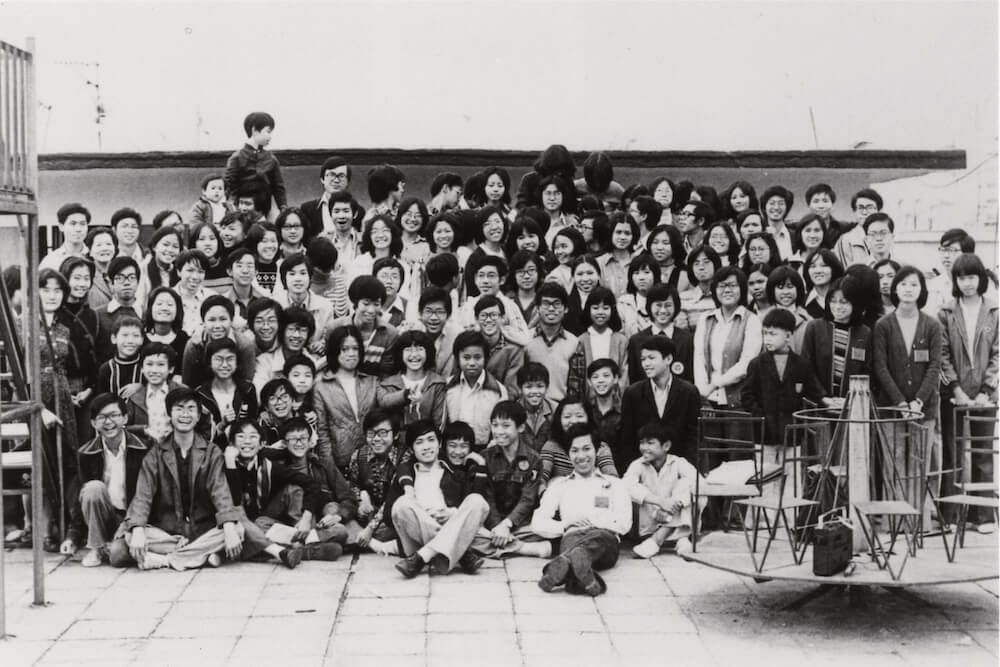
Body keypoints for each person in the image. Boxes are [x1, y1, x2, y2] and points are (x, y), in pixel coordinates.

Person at [110, 387, 302, 570]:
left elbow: (221, 492)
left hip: (203, 529)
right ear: (170, 414)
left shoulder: (211, 452)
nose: (185, 414)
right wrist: (137, 530)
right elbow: (143, 496)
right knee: (125, 543)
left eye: (191, 408)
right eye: (179, 409)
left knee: (237, 530)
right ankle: (196, 555)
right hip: (167, 531)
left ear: (198, 415)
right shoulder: (156, 454)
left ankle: (167, 560)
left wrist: (227, 526)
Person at [872, 266, 943, 525]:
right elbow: (880, 366)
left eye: (914, 284)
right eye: (903, 284)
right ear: (895, 289)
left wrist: (918, 402)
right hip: (891, 408)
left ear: (922, 289)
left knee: (919, 465)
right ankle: (895, 523)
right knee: (894, 463)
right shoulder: (883, 325)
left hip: (924, 408)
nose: (908, 289)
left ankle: (918, 523)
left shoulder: (932, 325)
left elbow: (935, 366)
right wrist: (901, 403)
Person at [532, 424, 632, 596]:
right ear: (568, 453)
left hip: (604, 540)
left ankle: (557, 570)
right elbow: (537, 523)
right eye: (575, 450)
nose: (581, 456)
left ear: (597, 450)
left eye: (587, 449)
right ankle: (584, 577)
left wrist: (594, 524)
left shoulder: (614, 484)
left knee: (588, 544)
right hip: (571, 536)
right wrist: (565, 525)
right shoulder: (559, 486)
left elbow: (624, 523)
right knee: (576, 549)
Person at [222, 419, 343, 561]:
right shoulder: (224, 463)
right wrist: (230, 464)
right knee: (252, 526)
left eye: (253, 436)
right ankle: (306, 550)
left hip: (264, 522)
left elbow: (311, 484)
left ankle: (301, 539)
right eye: (241, 436)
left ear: (262, 444)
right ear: (232, 443)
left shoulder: (269, 465)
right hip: (241, 524)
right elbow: (235, 502)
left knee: (295, 489)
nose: (247, 441)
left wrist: (306, 519)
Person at [937, 254, 998, 532]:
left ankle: (982, 516)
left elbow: (998, 354)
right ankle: (951, 514)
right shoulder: (946, 312)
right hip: (954, 395)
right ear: (955, 281)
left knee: (983, 451)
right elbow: (942, 354)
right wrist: (956, 388)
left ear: (981, 279)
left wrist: (987, 389)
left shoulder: (994, 311)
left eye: (972, 277)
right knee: (953, 450)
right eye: (962, 278)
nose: (968, 283)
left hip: (986, 395)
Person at [391, 420, 489, 577]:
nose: (427, 447)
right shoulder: (406, 473)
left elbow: (472, 509)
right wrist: (423, 516)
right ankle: (461, 555)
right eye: (419, 442)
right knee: (401, 504)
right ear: (411, 448)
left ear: (439, 443)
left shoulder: (453, 471)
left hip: (448, 523)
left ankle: (423, 556)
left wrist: (452, 513)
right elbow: (392, 516)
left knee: (477, 501)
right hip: (417, 534)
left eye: (431, 440)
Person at [75, 394, 150, 567]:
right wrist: (73, 535)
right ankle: (96, 547)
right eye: (101, 417)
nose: (108, 422)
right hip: (105, 518)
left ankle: (113, 548)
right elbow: (81, 499)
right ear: (94, 423)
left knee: (118, 557)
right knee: (93, 488)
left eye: (114, 415)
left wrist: (130, 524)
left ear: (125, 417)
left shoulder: (144, 447)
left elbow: (145, 493)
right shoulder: (86, 453)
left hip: (133, 517)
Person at [741, 309, 826, 446]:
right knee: (766, 467)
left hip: (793, 434)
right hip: (764, 435)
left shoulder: (802, 365)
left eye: (773, 334)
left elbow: (812, 394)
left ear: (788, 336)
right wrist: (760, 416)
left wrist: (801, 420)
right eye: (765, 333)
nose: (767, 338)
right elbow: (747, 395)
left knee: (792, 466)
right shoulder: (756, 364)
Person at [619, 336, 700, 469]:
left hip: (679, 467)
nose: (646, 364)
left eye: (651, 358)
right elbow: (627, 438)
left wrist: (686, 468)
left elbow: (694, 436)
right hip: (643, 467)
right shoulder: (633, 393)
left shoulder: (688, 391)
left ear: (668, 359)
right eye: (643, 359)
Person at [624, 422, 702, 558]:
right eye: (642, 443)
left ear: (666, 446)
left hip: (672, 518)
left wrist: (672, 505)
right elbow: (626, 486)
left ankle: (657, 540)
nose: (644, 448)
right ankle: (680, 539)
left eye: (650, 443)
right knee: (633, 488)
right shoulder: (637, 465)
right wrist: (660, 502)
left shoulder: (679, 462)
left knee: (688, 484)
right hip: (649, 524)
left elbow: (700, 483)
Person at [693, 266, 763, 412]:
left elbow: (746, 364)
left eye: (733, 285)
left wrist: (715, 384)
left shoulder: (752, 320)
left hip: (739, 401)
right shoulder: (705, 319)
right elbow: (699, 359)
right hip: (708, 399)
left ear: (742, 289)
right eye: (722, 286)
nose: (727, 290)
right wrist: (702, 392)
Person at [314, 325, 378, 470]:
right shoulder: (321, 386)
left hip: (372, 459)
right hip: (341, 463)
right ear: (335, 351)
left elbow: (387, 400)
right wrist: (331, 472)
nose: (351, 353)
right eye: (345, 349)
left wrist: (406, 395)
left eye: (355, 349)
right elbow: (322, 435)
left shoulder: (371, 381)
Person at [347, 409, 403, 554]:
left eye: (383, 433)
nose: (376, 439)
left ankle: (365, 541)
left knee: (388, 530)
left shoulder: (403, 458)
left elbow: (393, 496)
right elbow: (353, 484)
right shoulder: (358, 455)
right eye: (371, 434)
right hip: (367, 515)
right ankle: (369, 541)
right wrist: (360, 500)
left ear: (395, 434)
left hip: (390, 516)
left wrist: (369, 529)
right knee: (345, 519)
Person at [525, 282, 586, 403]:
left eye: (557, 304)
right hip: (530, 409)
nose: (551, 309)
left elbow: (576, 388)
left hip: (561, 410)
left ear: (566, 308)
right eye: (546, 304)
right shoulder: (526, 340)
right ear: (537, 308)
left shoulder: (574, 343)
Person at [444, 331, 508, 446]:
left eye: (477, 357)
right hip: (454, 451)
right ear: (457, 358)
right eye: (466, 358)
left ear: (486, 358)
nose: (472, 363)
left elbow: (502, 428)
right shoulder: (448, 387)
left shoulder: (498, 390)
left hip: (485, 450)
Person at [193, 337, 258, 448]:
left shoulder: (247, 389)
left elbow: (254, 425)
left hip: (244, 451)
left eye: (230, 359)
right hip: (212, 454)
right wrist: (222, 425)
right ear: (210, 362)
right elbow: (200, 436)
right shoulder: (200, 394)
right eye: (219, 359)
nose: (224, 365)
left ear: (237, 362)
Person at [181, 295, 257, 388]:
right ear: (203, 322)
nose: (217, 325)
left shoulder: (244, 346)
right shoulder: (195, 345)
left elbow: (247, 384)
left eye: (223, 319)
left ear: (231, 320)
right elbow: (188, 384)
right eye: (212, 320)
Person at [376, 330, 448, 427]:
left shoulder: (438, 384)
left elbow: (438, 423)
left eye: (420, 349)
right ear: (400, 353)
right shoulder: (387, 385)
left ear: (428, 352)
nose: (414, 355)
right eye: (408, 350)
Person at [626, 283, 694, 385]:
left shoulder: (688, 340)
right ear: (649, 306)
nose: (663, 310)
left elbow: (690, 377)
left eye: (668, 305)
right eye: (658, 305)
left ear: (676, 307)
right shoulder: (636, 341)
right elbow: (634, 379)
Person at [540, 398, 618, 485]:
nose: (573, 421)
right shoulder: (551, 446)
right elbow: (541, 478)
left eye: (579, 416)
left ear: (589, 418)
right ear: (559, 420)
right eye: (567, 417)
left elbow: (612, 477)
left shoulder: (600, 446)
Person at [224, 111, 286, 216]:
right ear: (254, 130)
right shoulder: (237, 158)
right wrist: (232, 211)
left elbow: (278, 187)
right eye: (268, 131)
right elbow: (229, 186)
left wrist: (283, 209)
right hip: (240, 213)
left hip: (264, 212)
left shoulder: (271, 159)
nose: (270, 136)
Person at [474, 294, 526, 398]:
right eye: (484, 315)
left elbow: (512, 390)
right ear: (476, 319)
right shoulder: (468, 345)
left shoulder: (514, 350)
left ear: (503, 318)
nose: (488, 320)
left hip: (501, 406)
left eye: (493, 315)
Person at [94, 257, 143, 361]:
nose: (126, 283)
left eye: (131, 277)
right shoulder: (97, 315)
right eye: (120, 278)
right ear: (111, 283)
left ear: (138, 282)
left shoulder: (146, 314)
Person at [578, 286, 628, 385]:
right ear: (588, 310)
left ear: (612, 310)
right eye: (595, 308)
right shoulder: (581, 340)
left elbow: (624, 375)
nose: (600, 312)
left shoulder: (621, 340)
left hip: (615, 397)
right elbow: (579, 376)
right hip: (588, 397)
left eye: (605, 308)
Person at [299, 156, 354, 238]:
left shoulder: (358, 211)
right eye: (331, 175)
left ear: (348, 181)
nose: (336, 180)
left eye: (341, 176)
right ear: (322, 179)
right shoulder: (307, 209)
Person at [926, 228, 976, 317]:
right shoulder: (933, 285)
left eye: (952, 250)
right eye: (943, 250)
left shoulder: (980, 284)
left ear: (967, 253)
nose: (946, 256)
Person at [765, 265, 812, 353]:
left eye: (790, 287)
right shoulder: (761, 319)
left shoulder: (809, 321)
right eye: (780, 287)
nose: (785, 292)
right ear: (772, 290)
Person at [834, 188, 883, 268]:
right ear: (854, 211)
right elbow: (846, 273)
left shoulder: (885, 237)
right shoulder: (846, 241)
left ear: (879, 210)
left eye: (869, 208)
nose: (865, 212)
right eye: (860, 208)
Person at [96, 316, 144, 396]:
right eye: (125, 335)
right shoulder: (106, 369)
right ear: (114, 338)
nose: (130, 341)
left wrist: (141, 387)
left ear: (142, 339)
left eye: (136, 336)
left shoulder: (146, 365)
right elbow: (101, 400)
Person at [617, 253, 662, 337]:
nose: (641, 277)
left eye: (646, 272)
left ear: (656, 275)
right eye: (636, 273)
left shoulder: (664, 300)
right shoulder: (624, 303)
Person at [595, 211, 638, 297]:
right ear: (610, 233)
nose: (622, 237)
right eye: (618, 232)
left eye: (627, 233)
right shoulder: (598, 263)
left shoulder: (638, 262)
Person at [143, 286, 190, 363]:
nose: (164, 308)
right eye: (159, 304)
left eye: (169, 304)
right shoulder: (140, 337)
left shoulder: (184, 340)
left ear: (178, 310)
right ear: (150, 308)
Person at [516, 363, 555, 452]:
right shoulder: (511, 411)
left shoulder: (555, 410)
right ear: (520, 388)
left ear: (547, 387)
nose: (534, 391)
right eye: (528, 387)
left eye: (540, 386)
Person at [173, 249, 213, 336]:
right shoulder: (168, 297)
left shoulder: (212, 297)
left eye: (200, 272)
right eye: (190, 270)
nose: (195, 277)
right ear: (179, 272)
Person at [40, 203, 91, 271]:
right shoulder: (50, 261)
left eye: (82, 224)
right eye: (73, 224)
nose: (78, 229)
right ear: (61, 226)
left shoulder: (94, 256)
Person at [222, 248, 268, 320]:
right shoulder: (223, 302)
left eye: (249, 266)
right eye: (239, 266)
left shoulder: (265, 299)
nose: (245, 271)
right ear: (229, 271)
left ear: (256, 271)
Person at [803, 248, 846, 319]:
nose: (818, 271)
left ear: (834, 269)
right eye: (813, 266)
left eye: (824, 265)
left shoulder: (846, 299)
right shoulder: (802, 303)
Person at [84, 226, 118, 311]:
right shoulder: (86, 276)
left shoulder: (121, 272)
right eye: (99, 245)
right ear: (90, 251)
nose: (104, 248)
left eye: (109, 244)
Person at [760, 185, 795, 260]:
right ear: (764, 207)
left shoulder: (794, 236)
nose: (776, 207)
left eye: (781, 203)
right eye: (772, 203)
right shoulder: (759, 234)